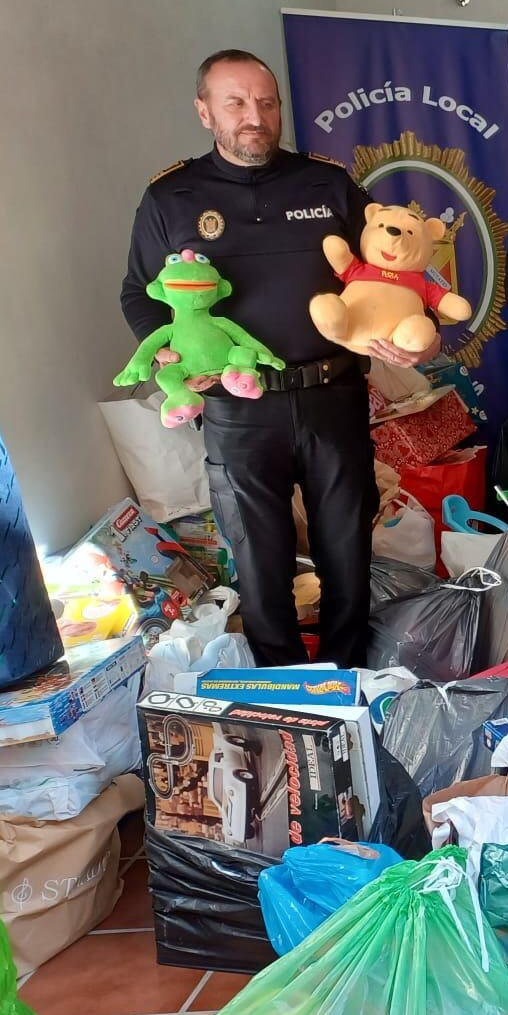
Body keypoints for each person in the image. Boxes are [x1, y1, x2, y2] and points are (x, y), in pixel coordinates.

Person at [122, 49, 418, 668]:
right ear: (205, 111)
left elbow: (384, 265)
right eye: (236, 102)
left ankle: (348, 681)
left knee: (346, 554)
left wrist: (399, 321)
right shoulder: (171, 196)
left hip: (332, 394)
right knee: (260, 561)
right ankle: (283, 693)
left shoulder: (327, 181)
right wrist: (168, 351)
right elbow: (138, 293)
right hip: (238, 407)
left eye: (266, 101)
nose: (254, 116)